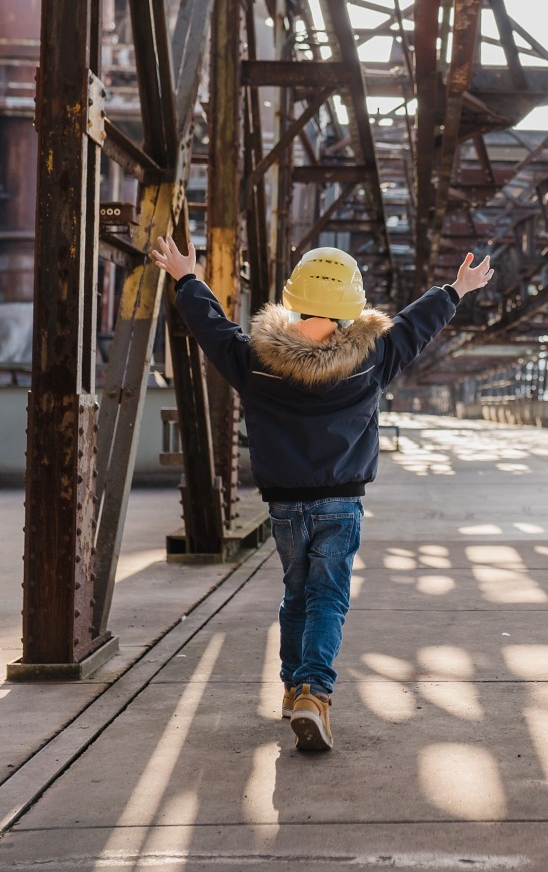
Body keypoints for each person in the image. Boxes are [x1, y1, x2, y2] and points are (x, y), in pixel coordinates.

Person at [151, 237, 493, 751]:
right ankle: (314, 691)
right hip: (341, 502)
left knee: (297, 595)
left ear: (295, 298)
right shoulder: (372, 358)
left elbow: (214, 331)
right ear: (351, 307)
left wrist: (187, 278)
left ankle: (292, 688)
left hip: (284, 506)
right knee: (328, 597)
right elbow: (415, 326)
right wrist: (456, 289)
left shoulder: (256, 360)